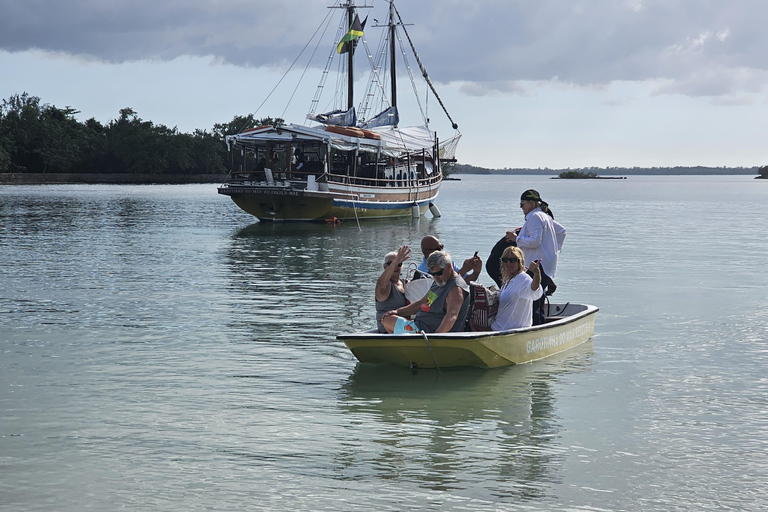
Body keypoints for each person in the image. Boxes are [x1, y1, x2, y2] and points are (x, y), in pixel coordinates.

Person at [381, 250, 470, 334]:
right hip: (420, 325)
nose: (435, 277)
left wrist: (435, 338)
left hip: (430, 332)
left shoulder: (455, 289)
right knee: (387, 317)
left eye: (438, 273)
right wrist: (397, 312)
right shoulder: (440, 281)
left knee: (388, 321)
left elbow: (452, 316)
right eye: (432, 274)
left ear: (449, 266)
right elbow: (421, 303)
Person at [514, 189, 566, 324]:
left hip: (536, 265)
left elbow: (535, 241)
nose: (521, 208)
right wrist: (553, 251)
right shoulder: (545, 216)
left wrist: (516, 238)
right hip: (546, 264)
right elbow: (561, 231)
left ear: (530, 203)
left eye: (522, 204)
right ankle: (540, 326)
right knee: (538, 298)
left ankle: (534, 329)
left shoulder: (535, 217)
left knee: (532, 300)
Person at [491, 247, 543, 331]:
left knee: (473, 325)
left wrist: (537, 274)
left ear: (520, 262)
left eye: (512, 260)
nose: (508, 263)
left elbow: (534, 290)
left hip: (510, 330)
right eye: (505, 260)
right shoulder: (508, 279)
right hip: (499, 326)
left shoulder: (523, 278)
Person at [375, 246, 411, 333]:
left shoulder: (406, 284)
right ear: (385, 266)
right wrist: (396, 261)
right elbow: (381, 283)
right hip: (388, 329)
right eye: (391, 263)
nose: (396, 267)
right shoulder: (384, 286)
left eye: (399, 264)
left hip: (407, 326)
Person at [416, 235, 482, 282]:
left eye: (441, 246)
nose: (441, 250)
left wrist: (476, 272)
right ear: (427, 252)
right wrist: (464, 270)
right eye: (438, 248)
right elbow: (441, 286)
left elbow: (466, 280)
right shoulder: (422, 271)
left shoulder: (447, 261)